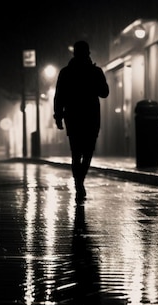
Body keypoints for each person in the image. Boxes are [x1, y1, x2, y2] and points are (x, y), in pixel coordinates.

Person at [54, 40, 109, 201]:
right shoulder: (95, 71)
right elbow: (105, 93)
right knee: (88, 152)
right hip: (91, 116)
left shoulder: (65, 72)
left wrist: (58, 116)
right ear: (88, 53)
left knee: (76, 152)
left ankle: (78, 182)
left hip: (73, 117)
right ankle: (80, 181)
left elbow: (59, 97)